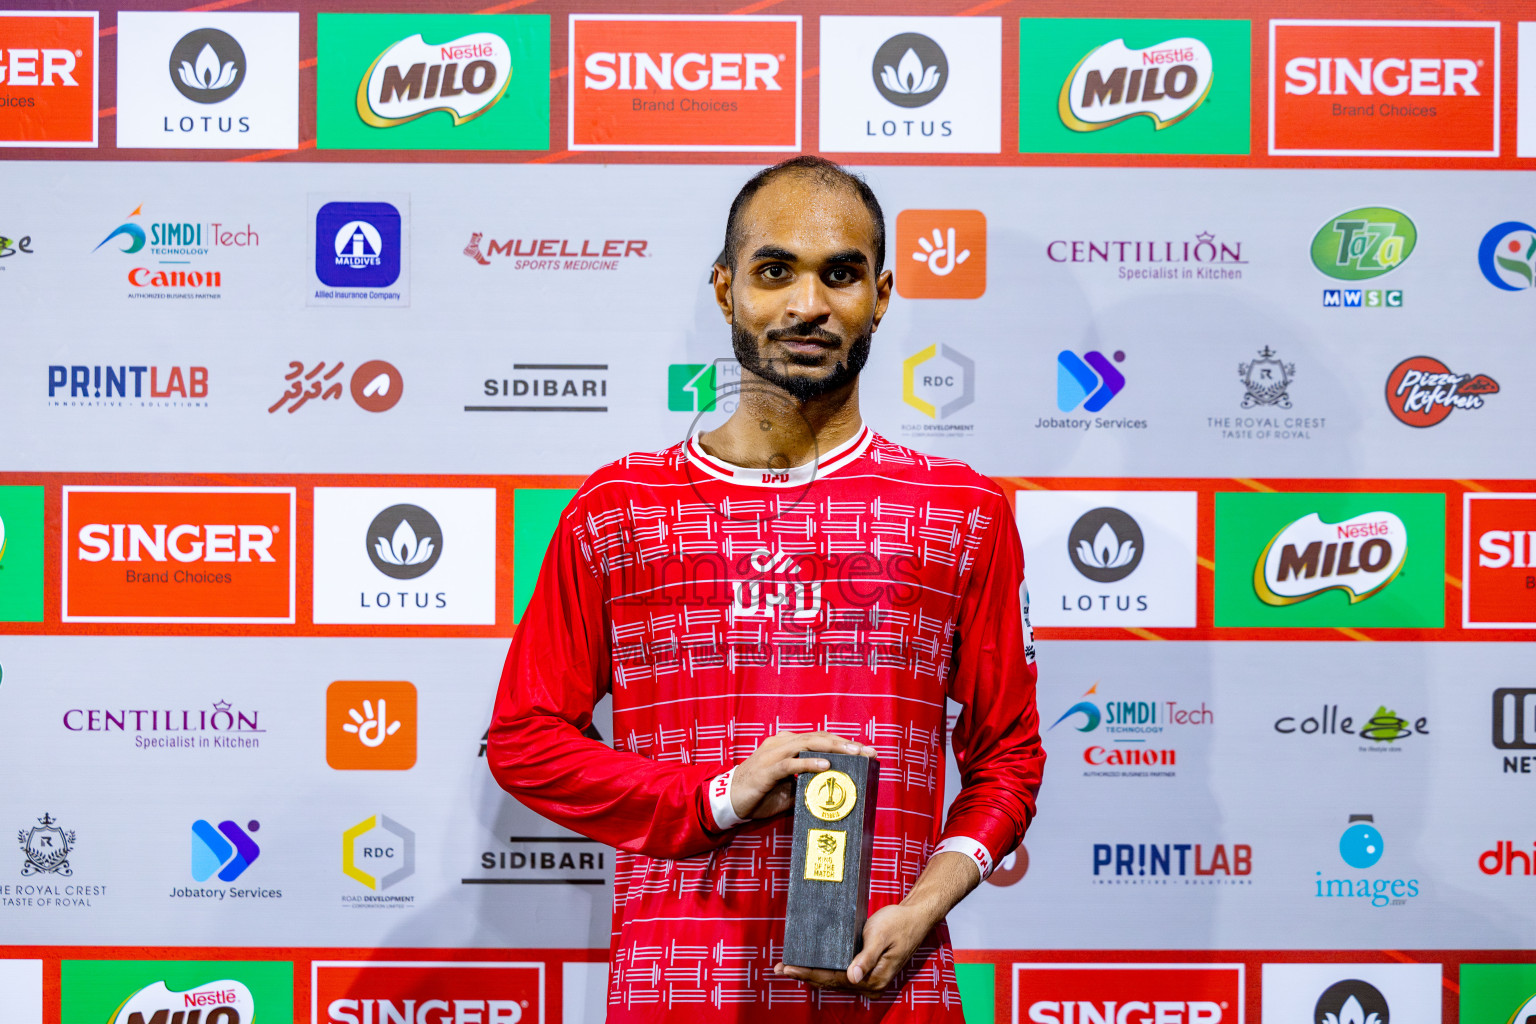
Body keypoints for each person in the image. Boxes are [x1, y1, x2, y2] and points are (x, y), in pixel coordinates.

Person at [487, 156, 1043, 1022]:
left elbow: (1007, 757)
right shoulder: (620, 509)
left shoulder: (960, 511)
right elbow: (524, 741)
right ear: (725, 288)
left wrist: (925, 903)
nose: (808, 305)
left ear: (883, 294)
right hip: (675, 993)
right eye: (775, 271)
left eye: (842, 274)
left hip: (888, 992)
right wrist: (713, 796)